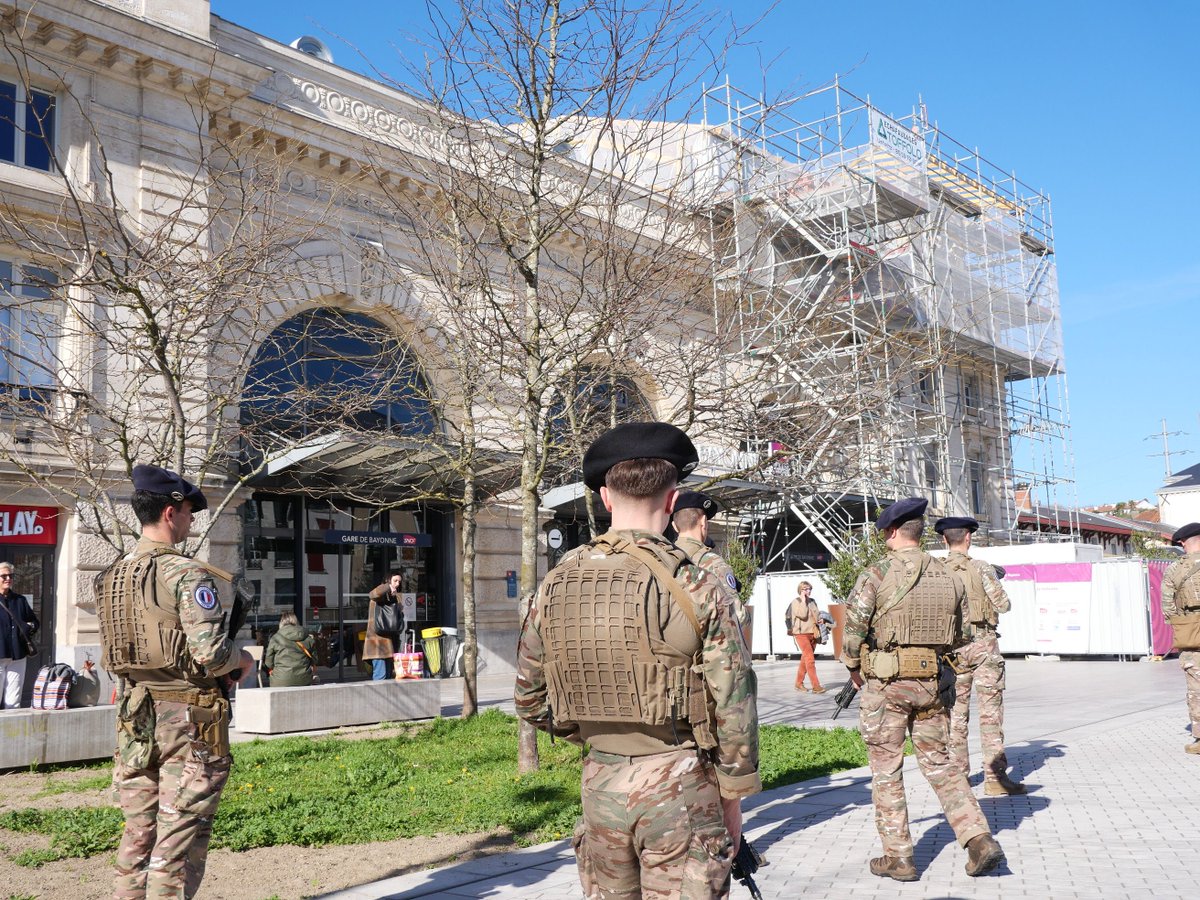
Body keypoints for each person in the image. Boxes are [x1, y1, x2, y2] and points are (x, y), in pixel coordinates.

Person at [515, 422, 760, 898]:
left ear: (606, 498)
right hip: (682, 785)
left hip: (600, 784)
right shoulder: (698, 584)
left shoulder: (556, 584)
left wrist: (595, 729)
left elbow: (530, 700)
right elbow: (734, 703)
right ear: (672, 502)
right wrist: (732, 799)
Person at [95, 464, 250, 900]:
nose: (191, 519)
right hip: (187, 720)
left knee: (138, 836)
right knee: (178, 841)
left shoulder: (110, 575)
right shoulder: (185, 573)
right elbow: (211, 653)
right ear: (169, 512)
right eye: (187, 511)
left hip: (135, 715)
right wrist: (245, 658)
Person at [843, 497, 1004, 882]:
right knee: (941, 765)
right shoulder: (949, 576)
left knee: (887, 771)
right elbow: (963, 635)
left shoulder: (876, 573)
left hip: (887, 687)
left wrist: (853, 666)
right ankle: (979, 839)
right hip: (932, 686)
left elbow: (852, 633)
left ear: (893, 532)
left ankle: (899, 858)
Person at [936, 516, 1026, 795]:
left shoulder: (936, 570)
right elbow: (1003, 604)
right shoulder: (981, 568)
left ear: (943, 540)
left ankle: (959, 776)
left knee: (955, 714)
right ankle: (995, 779)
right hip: (983, 646)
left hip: (952, 651)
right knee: (990, 715)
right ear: (968, 537)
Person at [672, 490, 748, 627]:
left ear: (674, 526)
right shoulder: (711, 562)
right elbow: (738, 616)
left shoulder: (662, 554)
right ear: (703, 522)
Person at [1162, 521, 1200, 754]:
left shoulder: (1175, 569)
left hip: (1192, 636)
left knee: (1196, 687)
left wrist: (1186, 624)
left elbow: (1167, 607)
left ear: (1185, 542)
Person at [0, 561, 39, 708]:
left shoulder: (20, 600)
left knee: (14, 700)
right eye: (3, 576)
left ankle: (11, 730)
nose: (8, 579)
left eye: (10, 576)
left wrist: (28, 628)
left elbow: (34, 622)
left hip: (18, 655)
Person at [365, 573, 405, 680]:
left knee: (388, 677)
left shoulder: (394, 598)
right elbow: (372, 594)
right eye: (395, 580)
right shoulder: (380, 595)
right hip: (377, 643)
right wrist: (388, 587)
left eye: (399, 582)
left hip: (389, 645)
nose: (397, 584)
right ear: (388, 580)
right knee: (380, 676)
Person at [787, 581, 825, 693]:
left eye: (809, 589)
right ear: (800, 590)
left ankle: (798, 683)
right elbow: (802, 614)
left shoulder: (813, 602)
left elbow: (817, 615)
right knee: (810, 659)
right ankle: (816, 686)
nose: (808, 591)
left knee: (805, 660)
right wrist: (803, 601)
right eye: (805, 589)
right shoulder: (796, 602)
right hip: (801, 634)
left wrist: (821, 620)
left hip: (813, 633)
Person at [264, 611, 317, 687]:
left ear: (281, 622)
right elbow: (315, 660)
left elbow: (268, 663)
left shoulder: (275, 638)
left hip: (280, 680)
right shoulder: (308, 638)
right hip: (304, 680)